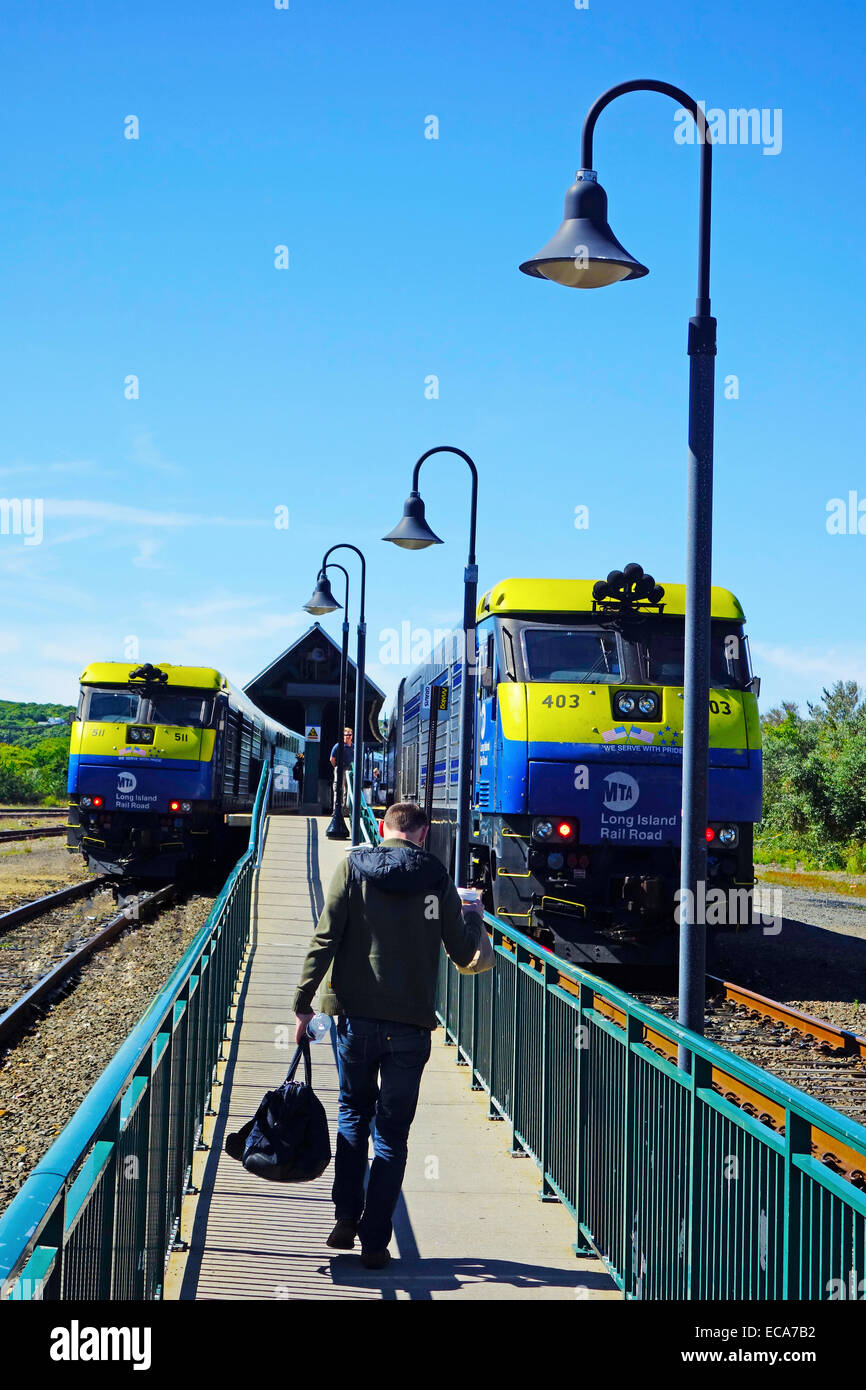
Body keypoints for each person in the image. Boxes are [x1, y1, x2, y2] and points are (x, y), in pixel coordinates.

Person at [292, 801, 483, 1268]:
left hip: (355, 1020)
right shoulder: (436, 877)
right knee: (392, 1135)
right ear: (422, 835)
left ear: (383, 828)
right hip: (410, 1026)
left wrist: (302, 1003)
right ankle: (376, 1241)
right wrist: (473, 912)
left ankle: (344, 1218)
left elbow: (325, 938)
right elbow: (463, 952)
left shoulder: (353, 867)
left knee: (353, 1114)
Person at [329, 726, 353, 809]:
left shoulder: (354, 747)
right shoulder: (338, 746)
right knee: (339, 789)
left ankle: (346, 810)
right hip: (340, 769)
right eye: (346, 735)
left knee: (349, 790)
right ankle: (336, 809)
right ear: (343, 736)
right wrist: (336, 767)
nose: (348, 736)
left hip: (350, 770)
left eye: (350, 735)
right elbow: (332, 759)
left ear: (352, 736)